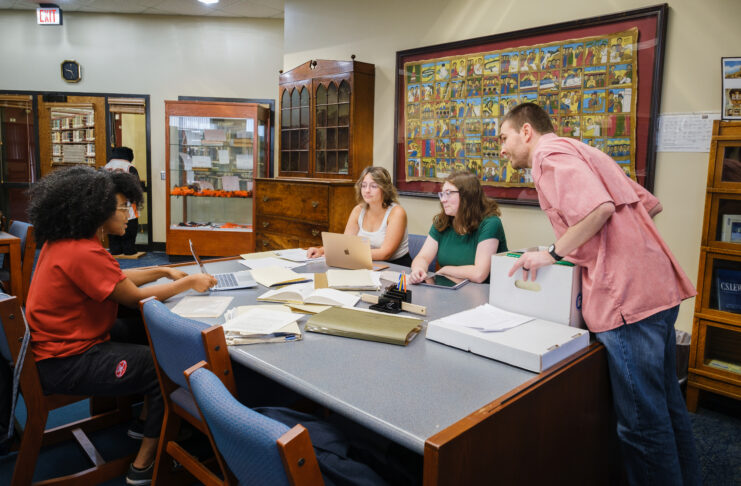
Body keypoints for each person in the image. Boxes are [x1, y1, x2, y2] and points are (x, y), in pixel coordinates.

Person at [498, 102, 700, 486]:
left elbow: (599, 209)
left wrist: (553, 252)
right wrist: (611, 247)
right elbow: (646, 205)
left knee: (641, 427)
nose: (502, 149)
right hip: (656, 287)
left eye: (503, 138)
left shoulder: (548, 155)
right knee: (668, 411)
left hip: (626, 301)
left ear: (526, 131)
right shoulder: (582, 150)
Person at [25, 166, 216, 485]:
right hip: (66, 362)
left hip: (56, 349)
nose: (130, 213)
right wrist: (189, 282)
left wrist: (161, 271)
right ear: (97, 210)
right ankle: (144, 465)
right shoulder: (84, 251)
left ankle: (143, 422)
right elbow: (133, 297)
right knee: (163, 365)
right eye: (123, 206)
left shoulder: (67, 242)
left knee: (145, 332)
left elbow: (113, 278)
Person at [409, 171, 507, 284]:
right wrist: (418, 269)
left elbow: (479, 274)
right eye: (442, 194)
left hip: (482, 295)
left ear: (467, 196)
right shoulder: (442, 221)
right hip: (448, 291)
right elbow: (423, 257)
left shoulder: (491, 223)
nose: (443, 200)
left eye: (449, 193)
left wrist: (446, 270)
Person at [307, 167, 411, 266]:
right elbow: (346, 243)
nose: (367, 190)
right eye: (364, 185)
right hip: (368, 263)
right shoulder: (358, 210)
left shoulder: (397, 212)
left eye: (373, 186)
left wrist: (348, 253)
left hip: (397, 267)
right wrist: (321, 250)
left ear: (384, 189)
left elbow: (385, 254)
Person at [104, 146, 142, 257]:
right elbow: (137, 186)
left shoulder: (106, 167)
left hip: (110, 203)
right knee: (130, 225)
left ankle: (115, 249)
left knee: (111, 224)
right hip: (128, 203)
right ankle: (129, 249)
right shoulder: (130, 167)